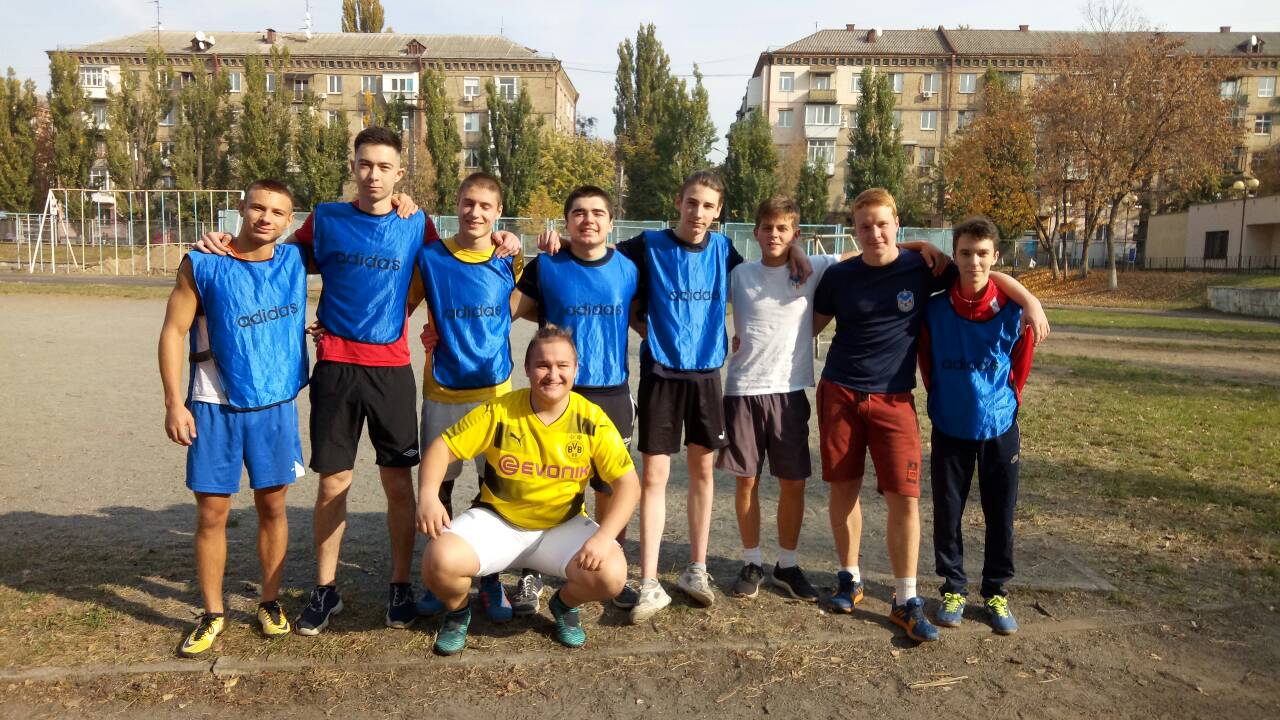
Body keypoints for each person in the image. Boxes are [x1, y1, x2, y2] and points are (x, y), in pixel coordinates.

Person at [194, 129, 520, 635]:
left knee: (398, 483)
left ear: (399, 174)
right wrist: (224, 244)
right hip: (336, 367)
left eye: (384, 167)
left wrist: (505, 241)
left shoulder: (415, 224)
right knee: (333, 483)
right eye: (365, 164)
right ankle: (326, 589)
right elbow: (271, 258)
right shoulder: (327, 219)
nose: (373, 175)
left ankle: (399, 586)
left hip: (391, 370)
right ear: (354, 167)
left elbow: (458, 264)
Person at [812, 188, 1049, 643]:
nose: (874, 233)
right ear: (854, 230)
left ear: (897, 224)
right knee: (843, 487)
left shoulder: (922, 269)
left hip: (894, 398)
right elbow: (809, 326)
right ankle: (849, 578)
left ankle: (906, 598)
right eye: (864, 226)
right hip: (840, 391)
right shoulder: (839, 276)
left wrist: (1030, 300)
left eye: (882, 224)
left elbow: (980, 270)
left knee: (906, 497)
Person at [721, 196, 946, 602]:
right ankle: (755, 561)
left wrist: (921, 245)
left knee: (794, 482)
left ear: (796, 234)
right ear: (755, 232)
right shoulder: (741, 274)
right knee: (749, 481)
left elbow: (877, 251)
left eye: (783, 229)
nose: (774, 235)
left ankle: (788, 564)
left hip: (796, 391)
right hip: (752, 389)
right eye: (767, 228)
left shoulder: (822, 267)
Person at [417, 326, 640, 655]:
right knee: (438, 560)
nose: (553, 374)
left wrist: (604, 537)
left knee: (612, 575)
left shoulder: (592, 420)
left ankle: (564, 605)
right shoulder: (501, 410)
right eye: (543, 365)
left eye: (562, 365)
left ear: (576, 369)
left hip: (561, 526)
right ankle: (458, 613)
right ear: (527, 368)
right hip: (499, 521)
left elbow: (628, 486)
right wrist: (428, 495)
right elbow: (441, 447)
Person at [159, 180, 306, 657]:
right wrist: (173, 403)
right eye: (257, 207)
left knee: (273, 508)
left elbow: (361, 238)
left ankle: (269, 602)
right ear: (241, 208)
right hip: (212, 405)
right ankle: (212, 612)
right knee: (212, 513)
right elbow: (173, 331)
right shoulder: (203, 262)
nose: (266, 218)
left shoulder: (295, 260)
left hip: (273, 406)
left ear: (290, 221)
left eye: (277, 212)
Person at [507, 185, 640, 614]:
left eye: (598, 212)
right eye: (579, 213)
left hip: (611, 390)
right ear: (566, 222)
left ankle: (610, 563)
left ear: (611, 222)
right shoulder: (546, 265)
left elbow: (643, 317)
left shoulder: (629, 268)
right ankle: (532, 573)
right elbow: (508, 310)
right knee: (546, 482)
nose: (589, 220)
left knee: (610, 487)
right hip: (557, 391)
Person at [411, 172, 524, 624]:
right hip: (443, 388)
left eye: (485, 206)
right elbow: (397, 308)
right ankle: (442, 573)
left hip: (494, 392)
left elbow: (534, 298)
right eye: (467, 203)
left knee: (492, 488)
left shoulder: (508, 258)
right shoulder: (430, 257)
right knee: (439, 486)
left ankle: (491, 575)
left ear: (498, 213)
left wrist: (523, 245)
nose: (475, 213)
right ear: (456, 205)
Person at [918, 217, 1035, 636]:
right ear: (955, 255)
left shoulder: (1015, 312)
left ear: (995, 256)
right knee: (948, 512)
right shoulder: (934, 310)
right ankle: (953, 587)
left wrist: (1000, 403)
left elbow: (1020, 369)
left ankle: (996, 590)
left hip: (999, 428)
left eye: (983, 253)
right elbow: (927, 364)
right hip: (950, 425)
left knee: (1000, 513)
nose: (974, 262)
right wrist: (948, 399)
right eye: (965, 253)